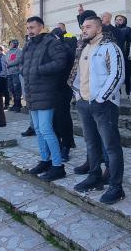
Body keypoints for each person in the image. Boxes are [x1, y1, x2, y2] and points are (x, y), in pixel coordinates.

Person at [69, 16, 125, 204]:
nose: (84, 30)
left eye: (88, 27)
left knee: (111, 147)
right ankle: (95, 176)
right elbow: (77, 76)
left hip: (104, 105)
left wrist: (101, 99)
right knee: (91, 143)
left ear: (99, 29)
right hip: (84, 103)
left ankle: (116, 187)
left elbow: (117, 75)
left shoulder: (110, 48)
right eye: (83, 27)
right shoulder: (83, 48)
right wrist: (78, 96)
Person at [22, 16, 68, 182]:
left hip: (46, 93)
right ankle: (45, 160)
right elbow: (22, 64)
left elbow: (60, 62)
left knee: (46, 129)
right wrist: (24, 70)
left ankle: (58, 166)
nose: (30, 31)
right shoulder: (28, 45)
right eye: (28, 28)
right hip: (32, 93)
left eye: (33, 27)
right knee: (38, 129)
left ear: (41, 27)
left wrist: (39, 69)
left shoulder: (51, 42)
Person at [50, 27, 76, 162]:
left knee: (63, 117)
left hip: (64, 88)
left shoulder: (66, 49)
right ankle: (59, 144)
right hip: (52, 89)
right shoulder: (52, 50)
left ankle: (66, 145)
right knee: (54, 118)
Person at [114, 14, 131, 96]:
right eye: (116, 20)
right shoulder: (113, 30)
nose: (118, 21)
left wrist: (129, 53)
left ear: (124, 21)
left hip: (125, 55)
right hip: (115, 55)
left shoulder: (128, 30)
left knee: (128, 74)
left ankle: (129, 91)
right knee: (116, 73)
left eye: (120, 19)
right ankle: (118, 92)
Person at [4, 39, 23, 112]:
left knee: (17, 88)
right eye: (10, 43)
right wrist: (7, 63)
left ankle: (18, 104)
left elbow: (18, 60)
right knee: (11, 89)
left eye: (12, 43)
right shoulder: (8, 52)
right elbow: (6, 60)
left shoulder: (19, 51)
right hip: (9, 73)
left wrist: (9, 64)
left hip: (16, 72)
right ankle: (15, 104)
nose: (10, 44)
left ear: (15, 44)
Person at [0, 45, 11, 110]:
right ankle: (0, 105)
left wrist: (6, 74)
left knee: (5, 91)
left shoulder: (5, 57)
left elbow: (8, 64)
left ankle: (7, 104)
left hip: (4, 76)